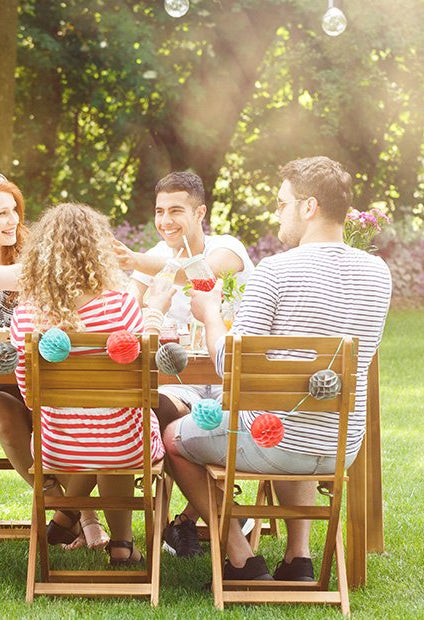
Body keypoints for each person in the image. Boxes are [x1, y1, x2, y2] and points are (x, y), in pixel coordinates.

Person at [162, 156, 392, 580]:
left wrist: (211, 314)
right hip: (340, 445)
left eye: (282, 203)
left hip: (273, 441)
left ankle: (240, 559)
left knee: (174, 437)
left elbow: (231, 363)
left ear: (309, 207)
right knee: (296, 416)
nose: (277, 212)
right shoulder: (378, 273)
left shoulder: (276, 271)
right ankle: (298, 559)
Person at [10, 203, 167, 564]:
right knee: (118, 426)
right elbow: (144, 374)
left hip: (57, 448)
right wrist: (155, 308)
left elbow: (30, 397)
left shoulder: (26, 315)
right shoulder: (121, 306)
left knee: (98, 426)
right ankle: (122, 545)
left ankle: (66, 513)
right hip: (126, 448)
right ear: (97, 251)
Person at [114, 170, 255, 557]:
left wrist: (139, 261)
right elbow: (128, 311)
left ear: (200, 212)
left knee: (189, 426)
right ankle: (228, 510)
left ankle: (193, 517)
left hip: (230, 385)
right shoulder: (155, 257)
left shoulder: (228, 247)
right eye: (160, 211)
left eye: (176, 210)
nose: (165, 221)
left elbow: (204, 271)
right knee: (154, 408)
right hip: (182, 385)